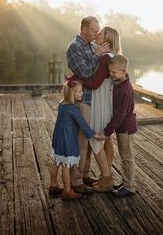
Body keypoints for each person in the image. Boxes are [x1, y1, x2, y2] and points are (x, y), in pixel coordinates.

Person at [66, 16, 109, 194]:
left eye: (98, 29)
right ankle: (76, 181)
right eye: (93, 29)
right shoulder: (74, 47)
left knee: (89, 141)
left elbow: (96, 73)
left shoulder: (92, 47)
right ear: (83, 28)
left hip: (94, 100)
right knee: (81, 141)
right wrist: (97, 56)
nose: (97, 33)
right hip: (82, 100)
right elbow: (84, 72)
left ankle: (84, 174)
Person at [79, 26, 122, 192]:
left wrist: (79, 80)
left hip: (102, 104)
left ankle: (106, 179)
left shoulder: (105, 58)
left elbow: (95, 83)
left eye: (101, 33)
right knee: (107, 140)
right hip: (108, 104)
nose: (97, 34)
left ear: (107, 39)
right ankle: (107, 175)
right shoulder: (112, 56)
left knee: (96, 139)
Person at [48, 79, 102, 200]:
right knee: (66, 166)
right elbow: (83, 124)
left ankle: (52, 186)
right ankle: (67, 191)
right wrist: (94, 135)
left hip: (58, 137)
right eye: (79, 92)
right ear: (72, 94)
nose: (82, 93)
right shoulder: (73, 108)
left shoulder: (62, 104)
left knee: (56, 162)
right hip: (67, 139)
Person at [103, 54, 138, 197]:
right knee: (124, 156)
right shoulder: (119, 83)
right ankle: (126, 182)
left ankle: (129, 187)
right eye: (110, 71)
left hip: (126, 128)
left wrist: (107, 130)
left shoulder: (124, 89)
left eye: (114, 72)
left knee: (127, 157)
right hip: (122, 127)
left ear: (124, 71)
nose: (111, 75)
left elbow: (119, 115)